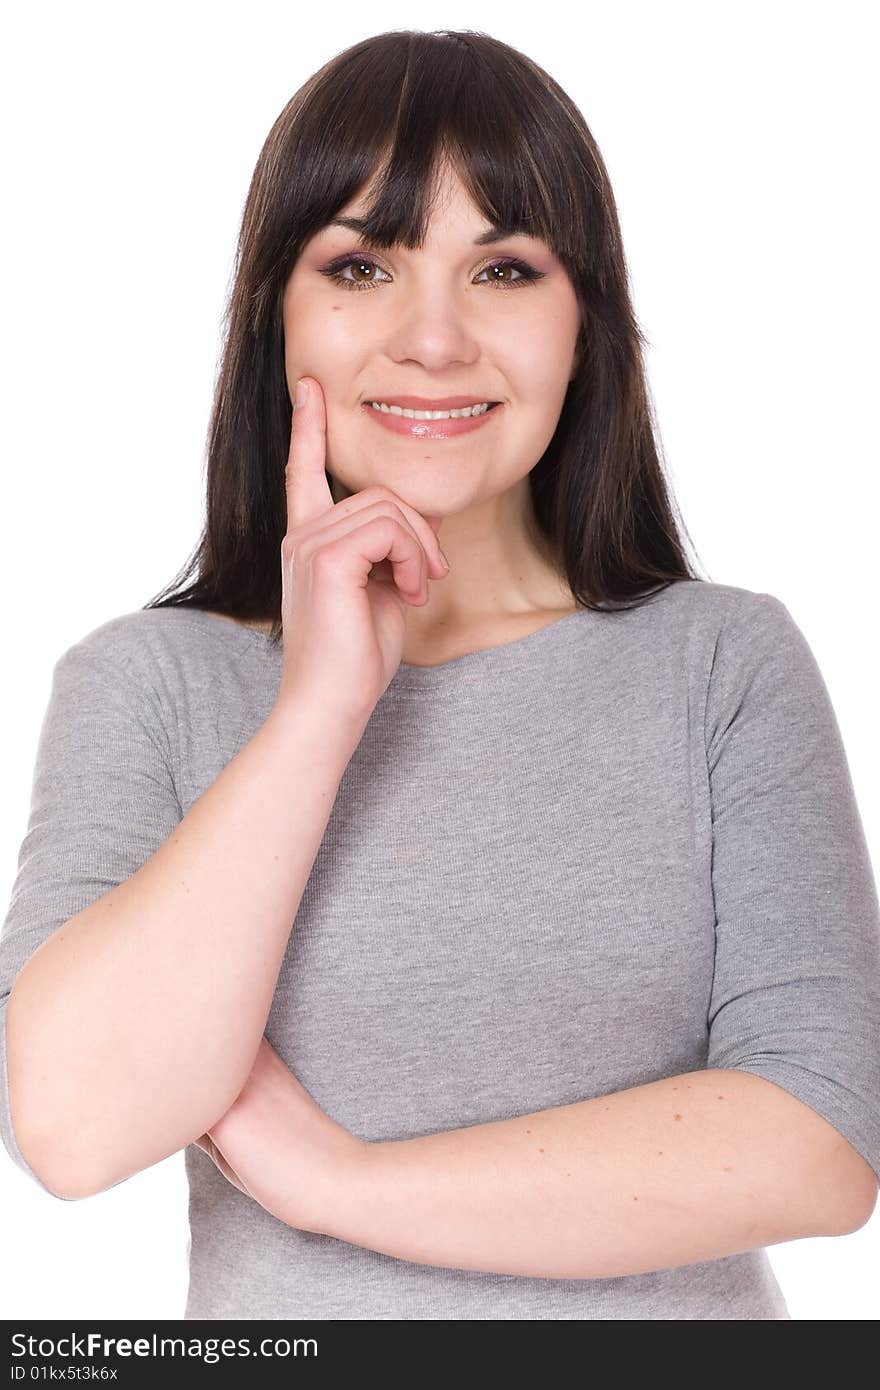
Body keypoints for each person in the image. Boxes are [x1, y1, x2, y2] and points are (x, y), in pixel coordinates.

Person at [2, 28, 879, 1322]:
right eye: (362, 263)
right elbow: (72, 1126)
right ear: (275, 314)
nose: (435, 338)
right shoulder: (150, 684)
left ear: (587, 322)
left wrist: (341, 1183)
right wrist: (318, 708)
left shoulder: (721, 664)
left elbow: (818, 1140)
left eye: (505, 268)